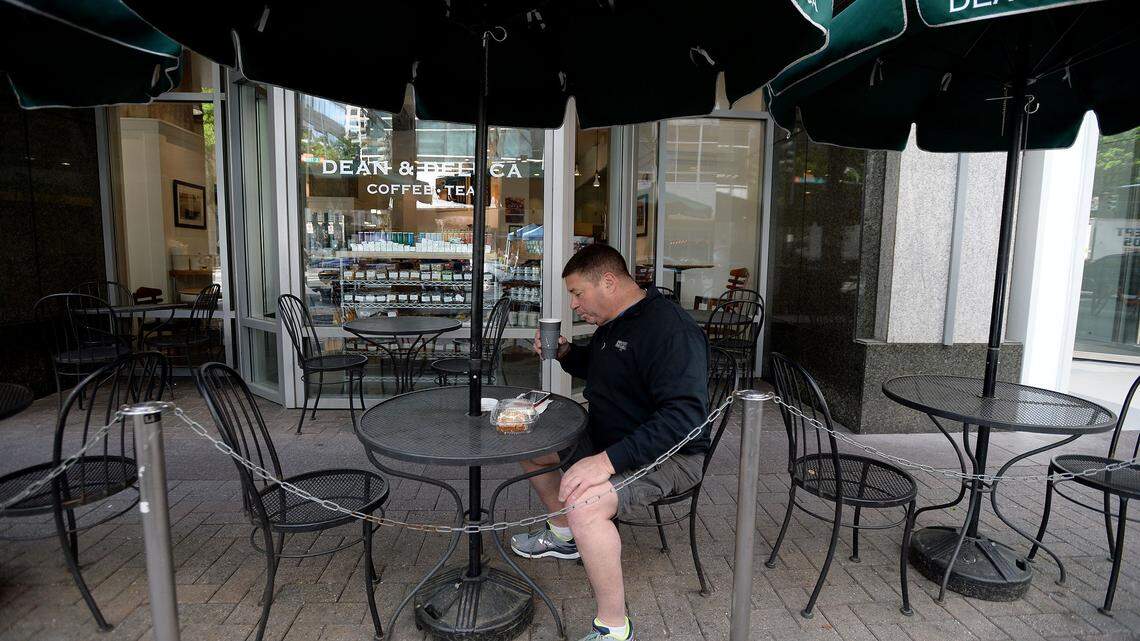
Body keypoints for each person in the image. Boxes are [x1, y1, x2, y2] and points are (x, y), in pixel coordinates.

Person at [511, 244, 709, 641]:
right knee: (529, 444)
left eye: (578, 293)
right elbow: (608, 367)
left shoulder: (670, 331)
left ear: (609, 281)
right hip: (610, 438)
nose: (574, 304)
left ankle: (614, 627)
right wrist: (568, 354)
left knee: (587, 503)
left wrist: (606, 462)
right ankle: (564, 536)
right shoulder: (615, 321)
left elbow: (684, 420)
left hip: (668, 454)